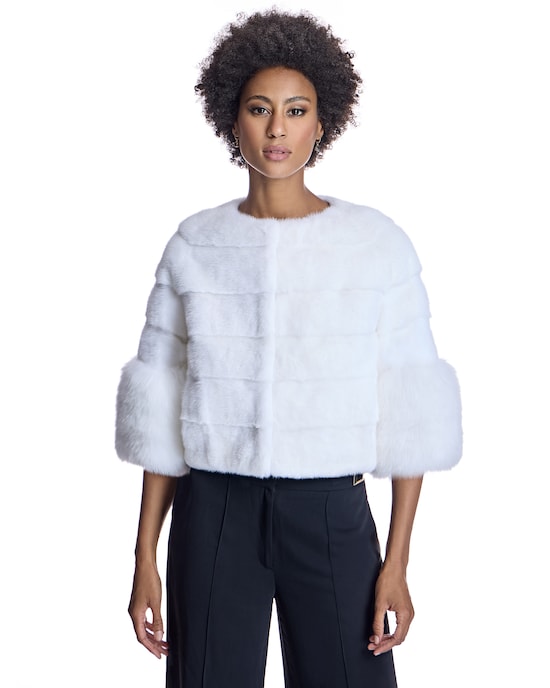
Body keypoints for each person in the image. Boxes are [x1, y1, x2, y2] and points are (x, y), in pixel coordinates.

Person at [115, 8, 462, 688]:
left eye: (296, 111)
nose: (277, 129)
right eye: (260, 109)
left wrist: (397, 563)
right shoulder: (194, 246)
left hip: (332, 514)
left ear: (321, 123)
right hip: (215, 513)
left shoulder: (374, 246)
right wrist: (143, 558)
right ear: (233, 120)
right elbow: (159, 410)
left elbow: (410, 409)